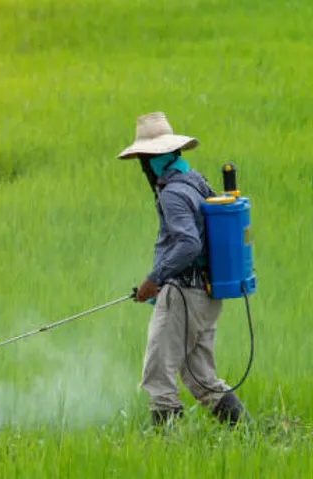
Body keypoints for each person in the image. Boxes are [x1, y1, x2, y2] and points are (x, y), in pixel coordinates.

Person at [116, 112, 245, 427]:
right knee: (201, 378)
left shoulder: (173, 193)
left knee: (158, 373)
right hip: (206, 294)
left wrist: (155, 279)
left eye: (144, 159)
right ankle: (247, 435)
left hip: (184, 295)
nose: (143, 166)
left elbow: (188, 244)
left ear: (153, 159)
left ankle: (166, 453)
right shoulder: (195, 180)